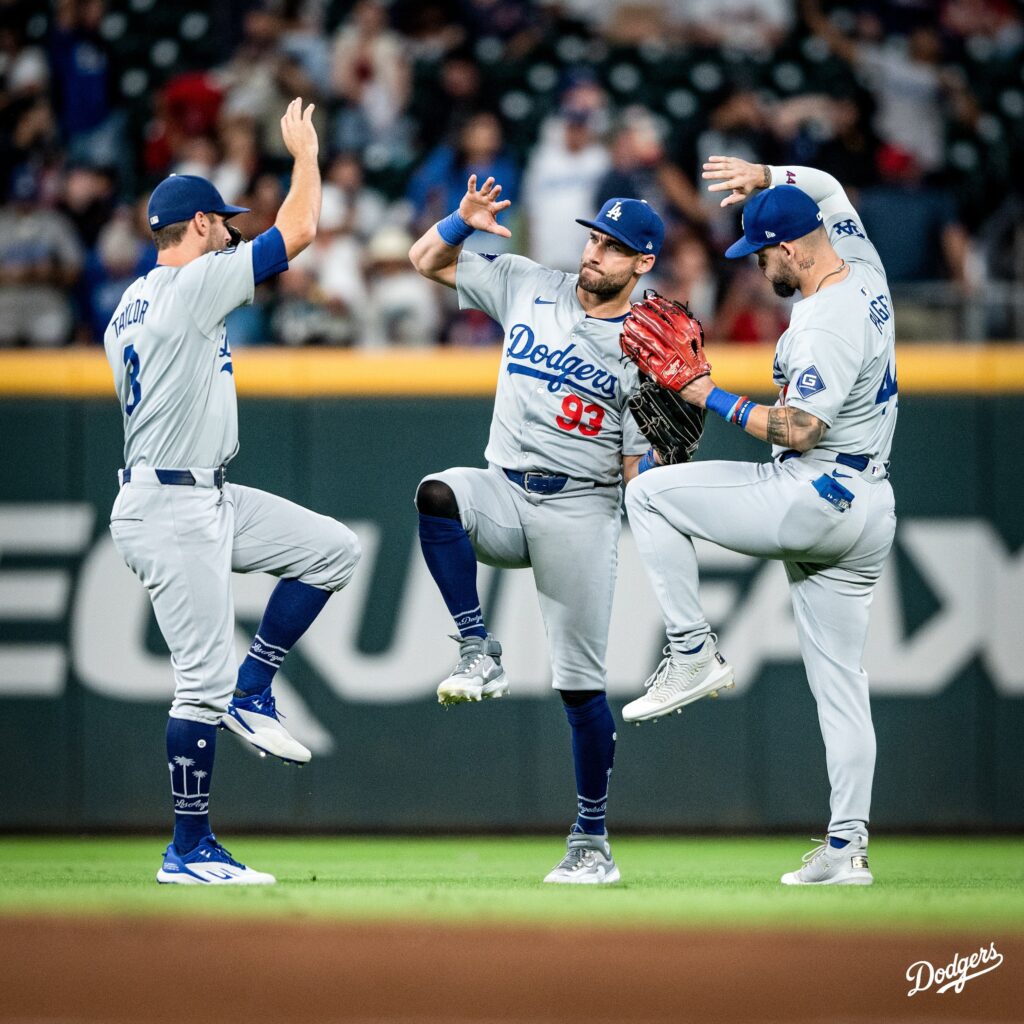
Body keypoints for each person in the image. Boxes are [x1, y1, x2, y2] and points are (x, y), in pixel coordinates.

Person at [103, 99, 361, 885]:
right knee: (197, 683)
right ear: (200, 226)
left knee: (332, 551)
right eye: (222, 219)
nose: (230, 227)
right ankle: (188, 847)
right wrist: (306, 155)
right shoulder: (189, 289)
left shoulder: (130, 303)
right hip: (171, 505)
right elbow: (302, 230)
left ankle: (257, 687)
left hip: (205, 493)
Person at [623, 156, 898, 886]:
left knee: (650, 496)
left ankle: (692, 651)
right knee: (841, 684)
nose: (757, 268)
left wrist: (707, 391)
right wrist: (770, 172)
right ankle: (847, 849)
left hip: (816, 491)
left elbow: (801, 426)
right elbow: (832, 188)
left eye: (763, 254)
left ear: (794, 248)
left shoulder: (827, 322)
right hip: (869, 505)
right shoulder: (860, 263)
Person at [408, 180, 660, 883]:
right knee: (437, 494)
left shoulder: (647, 343)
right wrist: (460, 221)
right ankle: (474, 648)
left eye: (616, 249)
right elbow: (423, 260)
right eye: (595, 239)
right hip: (505, 488)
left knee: (580, 688)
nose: (597, 253)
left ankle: (591, 837)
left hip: (581, 509)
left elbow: (638, 466)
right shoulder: (528, 282)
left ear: (642, 265)